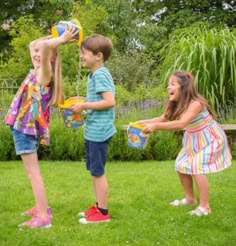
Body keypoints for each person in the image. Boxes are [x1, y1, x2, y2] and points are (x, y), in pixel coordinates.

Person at [4, 27, 77, 228]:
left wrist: (60, 39)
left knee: (33, 173)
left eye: (41, 52)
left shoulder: (45, 73)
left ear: (52, 57)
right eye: (35, 52)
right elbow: (33, 45)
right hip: (22, 127)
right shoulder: (37, 70)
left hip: (26, 130)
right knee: (32, 172)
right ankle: (40, 207)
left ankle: (43, 216)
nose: (36, 54)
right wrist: (44, 43)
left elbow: (45, 46)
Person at [136, 70, 232, 216]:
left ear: (184, 87)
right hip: (193, 138)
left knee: (196, 167)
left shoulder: (196, 103)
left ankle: (205, 207)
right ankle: (190, 199)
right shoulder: (174, 104)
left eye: (173, 84)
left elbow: (181, 124)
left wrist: (155, 127)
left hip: (210, 138)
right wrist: (139, 123)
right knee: (181, 164)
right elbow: (162, 119)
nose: (168, 87)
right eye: (168, 84)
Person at [70, 34, 116, 224]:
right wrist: (83, 104)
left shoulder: (101, 74)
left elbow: (109, 101)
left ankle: (103, 213)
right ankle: (98, 206)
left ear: (98, 56)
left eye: (84, 53)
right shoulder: (94, 74)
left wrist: (85, 106)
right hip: (93, 130)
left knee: (98, 171)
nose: (81, 56)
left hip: (99, 131)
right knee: (94, 171)